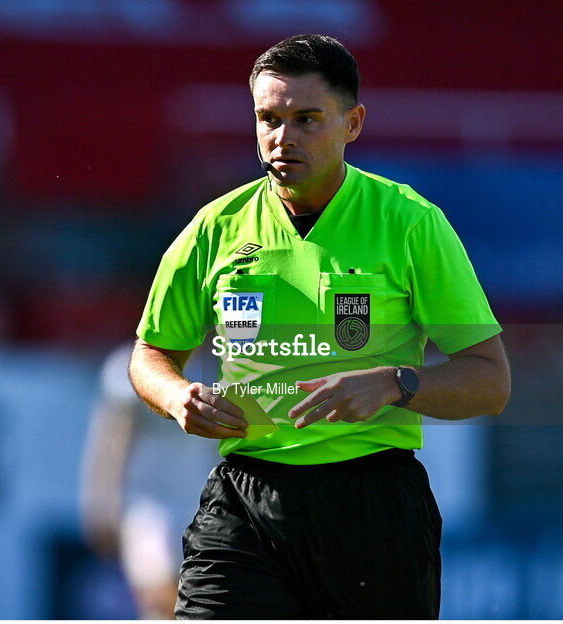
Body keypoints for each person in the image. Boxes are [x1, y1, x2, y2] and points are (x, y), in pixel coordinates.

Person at [129, 34, 511, 619]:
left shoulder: (409, 224)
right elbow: (150, 355)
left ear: (352, 123)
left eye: (307, 119)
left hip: (372, 504)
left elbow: (490, 381)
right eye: (269, 119)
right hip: (245, 496)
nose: (283, 138)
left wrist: (395, 383)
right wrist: (178, 396)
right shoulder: (216, 228)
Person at [80, 343, 220, 619]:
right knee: (159, 596)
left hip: (209, 504)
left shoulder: (226, 369)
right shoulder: (130, 368)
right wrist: (100, 502)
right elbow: (111, 441)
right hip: (149, 504)